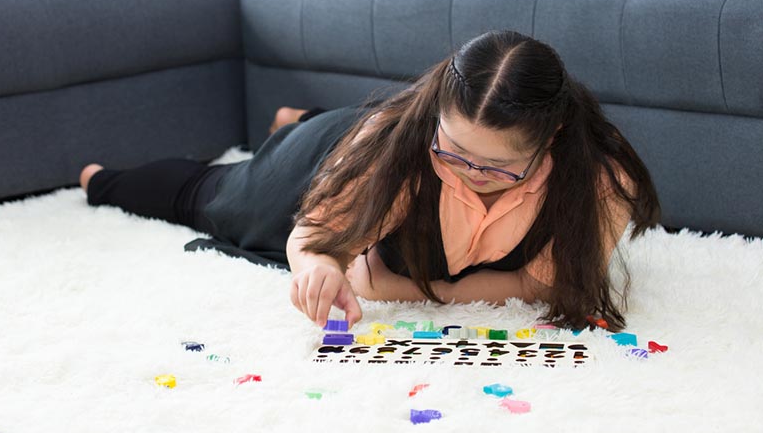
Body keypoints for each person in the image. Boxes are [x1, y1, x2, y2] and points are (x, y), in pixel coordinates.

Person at [80, 29, 661, 333]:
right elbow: (318, 242)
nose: (471, 174)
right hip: (342, 154)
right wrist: (319, 269)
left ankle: (295, 122)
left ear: (553, 138)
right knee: (213, 199)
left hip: (363, 155)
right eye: (454, 151)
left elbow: (546, 286)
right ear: (436, 112)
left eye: (498, 168)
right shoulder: (399, 146)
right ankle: (103, 180)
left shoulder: (601, 181)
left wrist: (414, 291)